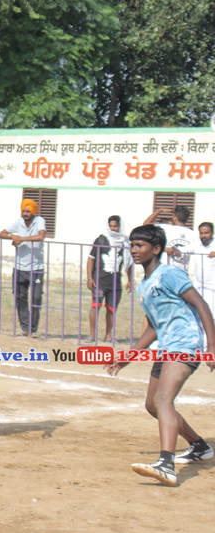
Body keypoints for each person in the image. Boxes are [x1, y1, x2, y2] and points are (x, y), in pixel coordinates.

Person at [106, 224, 215, 486]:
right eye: (132, 245)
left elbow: (201, 305)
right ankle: (200, 446)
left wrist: (212, 346)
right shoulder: (144, 286)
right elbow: (154, 327)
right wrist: (130, 355)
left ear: (156, 249)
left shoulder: (170, 274)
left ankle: (166, 464)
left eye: (140, 245)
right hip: (166, 347)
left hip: (185, 344)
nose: (134, 250)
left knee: (164, 399)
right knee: (153, 405)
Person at [0, 199, 46, 337]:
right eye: (23, 211)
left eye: (28, 211)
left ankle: (33, 328)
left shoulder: (39, 220)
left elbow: (41, 236)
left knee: (36, 298)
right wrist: (12, 236)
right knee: (20, 297)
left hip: (36, 267)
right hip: (19, 267)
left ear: (34, 212)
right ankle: (25, 328)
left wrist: (21, 239)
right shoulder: (19, 222)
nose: (25, 214)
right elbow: (1, 233)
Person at [85, 215, 134, 343]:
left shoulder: (125, 243)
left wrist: (130, 280)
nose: (113, 229)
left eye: (115, 226)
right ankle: (92, 335)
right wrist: (90, 278)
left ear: (119, 227)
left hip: (115, 283)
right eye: (111, 226)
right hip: (99, 281)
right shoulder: (101, 240)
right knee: (95, 306)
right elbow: (91, 259)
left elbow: (128, 263)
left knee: (111, 310)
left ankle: (108, 335)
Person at [143, 206, 197, 273]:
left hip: (164, 269)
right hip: (182, 270)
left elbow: (146, 223)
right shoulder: (193, 234)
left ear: (175, 218)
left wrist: (160, 210)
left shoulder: (166, 228)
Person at [188, 221, 215, 318]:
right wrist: (170, 250)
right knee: (197, 314)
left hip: (212, 288)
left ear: (212, 233)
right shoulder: (196, 245)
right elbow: (181, 251)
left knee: (211, 315)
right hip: (198, 286)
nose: (203, 236)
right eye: (201, 233)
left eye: (206, 233)